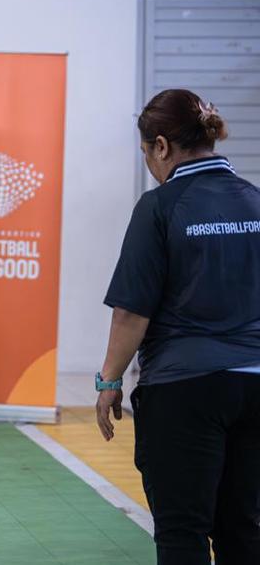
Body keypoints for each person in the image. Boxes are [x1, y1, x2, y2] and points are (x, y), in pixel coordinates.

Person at [96, 89, 260, 565]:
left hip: (186, 391)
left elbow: (131, 312)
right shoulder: (254, 200)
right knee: (243, 528)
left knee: (182, 532)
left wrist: (109, 381)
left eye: (147, 151)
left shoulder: (160, 207)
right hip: (254, 389)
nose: (149, 161)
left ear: (162, 146)